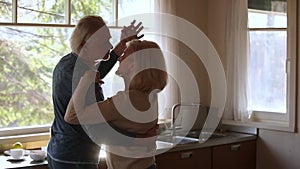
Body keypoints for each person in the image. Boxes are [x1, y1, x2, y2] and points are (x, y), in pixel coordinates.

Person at [47, 15, 144, 169]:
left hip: (62, 151)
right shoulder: (78, 74)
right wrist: (134, 138)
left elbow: (98, 72)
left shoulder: (69, 63)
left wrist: (123, 43)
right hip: (76, 157)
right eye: (104, 42)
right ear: (86, 46)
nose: (110, 46)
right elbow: (93, 127)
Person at [64, 39, 168, 169]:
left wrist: (86, 80)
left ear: (133, 64)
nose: (119, 59)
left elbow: (72, 116)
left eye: (125, 55)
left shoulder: (125, 101)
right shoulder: (151, 95)